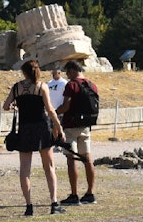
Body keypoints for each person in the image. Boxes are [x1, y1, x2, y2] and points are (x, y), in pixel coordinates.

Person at [4, 59, 68, 215]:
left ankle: (29, 206)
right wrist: (59, 128)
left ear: (24, 72)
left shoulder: (17, 88)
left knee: (25, 170)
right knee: (49, 167)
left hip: (25, 128)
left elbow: (6, 106)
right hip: (42, 128)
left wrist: (15, 105)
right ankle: (54, 203)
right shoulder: (42, 86)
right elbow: (50, 110)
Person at [56, 60, 98, 206]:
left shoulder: (72, 85)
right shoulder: (92, 85)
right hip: (86, 126)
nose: (67, 76)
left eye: (67, 73)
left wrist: (55, 112)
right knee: (87, 159)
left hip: (71, 126)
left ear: (72, 70)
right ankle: (90, 193)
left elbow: (66, 106)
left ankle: (74, 195)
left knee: (72, 159)